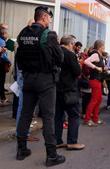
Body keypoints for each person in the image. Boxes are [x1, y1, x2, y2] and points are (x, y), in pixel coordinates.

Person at [15, 6, 65, 166]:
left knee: (25, 115)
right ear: (43, 17)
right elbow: (60, 57)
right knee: (48, 117)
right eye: (49, 17)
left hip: (28, 79)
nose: (50, 20)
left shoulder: (23, 33)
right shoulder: (48, 34)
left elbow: (19, 57)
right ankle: (51, 155)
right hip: (45, 80)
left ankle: (21, 149)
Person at [54, 35, 85, 150]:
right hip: (69, 90)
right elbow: (77, 72)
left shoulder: (55, 52)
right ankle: (72, 142)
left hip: (56, 89)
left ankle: (57, 141)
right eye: (73, 44)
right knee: (74, 116)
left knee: (58, 116)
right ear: (70, 44)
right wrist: (78, 63)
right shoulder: (70, 54)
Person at [84, 40, 107, 126]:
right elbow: (86, 61)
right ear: (100, 47)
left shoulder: (99, 55)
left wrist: (103, 68)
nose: (104, 48)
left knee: (98, 100)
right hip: (94, 80)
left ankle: (95, 118)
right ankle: (87, 119)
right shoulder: (96, 54)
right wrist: (96, 67)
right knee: (94, 100)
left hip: (98, 80)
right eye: (103, 46)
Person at [0, 26, 10, 104]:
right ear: (3, 34)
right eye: (6, 33)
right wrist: (9, 61)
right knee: (2, 81)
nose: (8, 34)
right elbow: (4, 55)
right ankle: (3, 98)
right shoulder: (2, 41)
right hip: (2, 63)